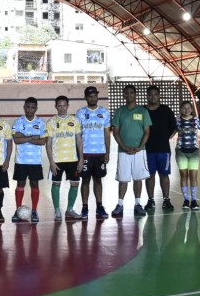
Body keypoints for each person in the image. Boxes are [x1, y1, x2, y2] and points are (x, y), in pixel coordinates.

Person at [110, 85, 152, 218]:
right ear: (124, 95)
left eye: (131, 93)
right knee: (123, 179)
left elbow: (147, 131)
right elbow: (115, 132)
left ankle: (138, 204)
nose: (129, 95)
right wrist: (123, 146)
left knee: (138, 178)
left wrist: (140, 147)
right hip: (124, 152)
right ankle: (120, 204)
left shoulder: (143, 111)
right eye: (126, 93)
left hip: (140, 151)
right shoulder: (119, 112)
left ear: (135, 95)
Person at [44, 95, 83, 221]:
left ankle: (70, 210)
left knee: (75, 184)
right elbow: (48, 143)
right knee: (56, 183)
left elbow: (79, 140)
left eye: (64, 105)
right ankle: (57, 210)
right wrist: (51, 161)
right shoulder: (51, 122)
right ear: (55, 106)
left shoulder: (75, 120)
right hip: (57, 160)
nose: (62, 108)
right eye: (59, 106)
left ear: (68, 106)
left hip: (73, 159)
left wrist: (81, 159)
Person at [75, 86, 111, 220]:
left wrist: (107, 153)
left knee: (98, 180)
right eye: (90, 96)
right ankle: (84, 207)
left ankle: (99, 206)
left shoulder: (105, 112)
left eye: (95, 95)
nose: (93, 98)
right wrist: (79, 155)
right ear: (86, 97)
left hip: (100, 153)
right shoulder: (80, 113)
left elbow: (107, 135)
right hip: (85, 153)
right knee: (85, 180)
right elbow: (77, 136)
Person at [11, 97, 47, 223]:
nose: (30, 110)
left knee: (34, 184)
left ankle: (35, 211)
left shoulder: (41, 123)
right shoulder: (18, 122)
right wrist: (33, 137)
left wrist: (24, 137)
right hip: (21, 161)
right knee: (20, 184)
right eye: (28, 107)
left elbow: (43, 141)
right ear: (24, 107)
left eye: (32, 107)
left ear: (36, 108)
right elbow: (16, 140)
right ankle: (17, 209)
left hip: (35, 162)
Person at [143, 85, 177, 212]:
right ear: (147, 96)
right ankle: (150, 200)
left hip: (163, 150)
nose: (153, 96)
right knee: (149, 175)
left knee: (164, 175)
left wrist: (166, 138)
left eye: (155, 94)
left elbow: (174, 127)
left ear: (159, 96)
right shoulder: (142, 110)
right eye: (150, 94)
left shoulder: (166, 110)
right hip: (147, 150)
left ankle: (166, 200)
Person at [175, 100, 200, 210]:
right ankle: (186, 200)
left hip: (194, 152)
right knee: (184, 176)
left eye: (188, 108)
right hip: (181, 152)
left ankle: (194, 201)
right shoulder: (177, 120)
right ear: (181, 110)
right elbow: (170, 132)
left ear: (191, 109)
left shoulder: (196, 120)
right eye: (184, 108)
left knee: (193, 176)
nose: (186, 110)